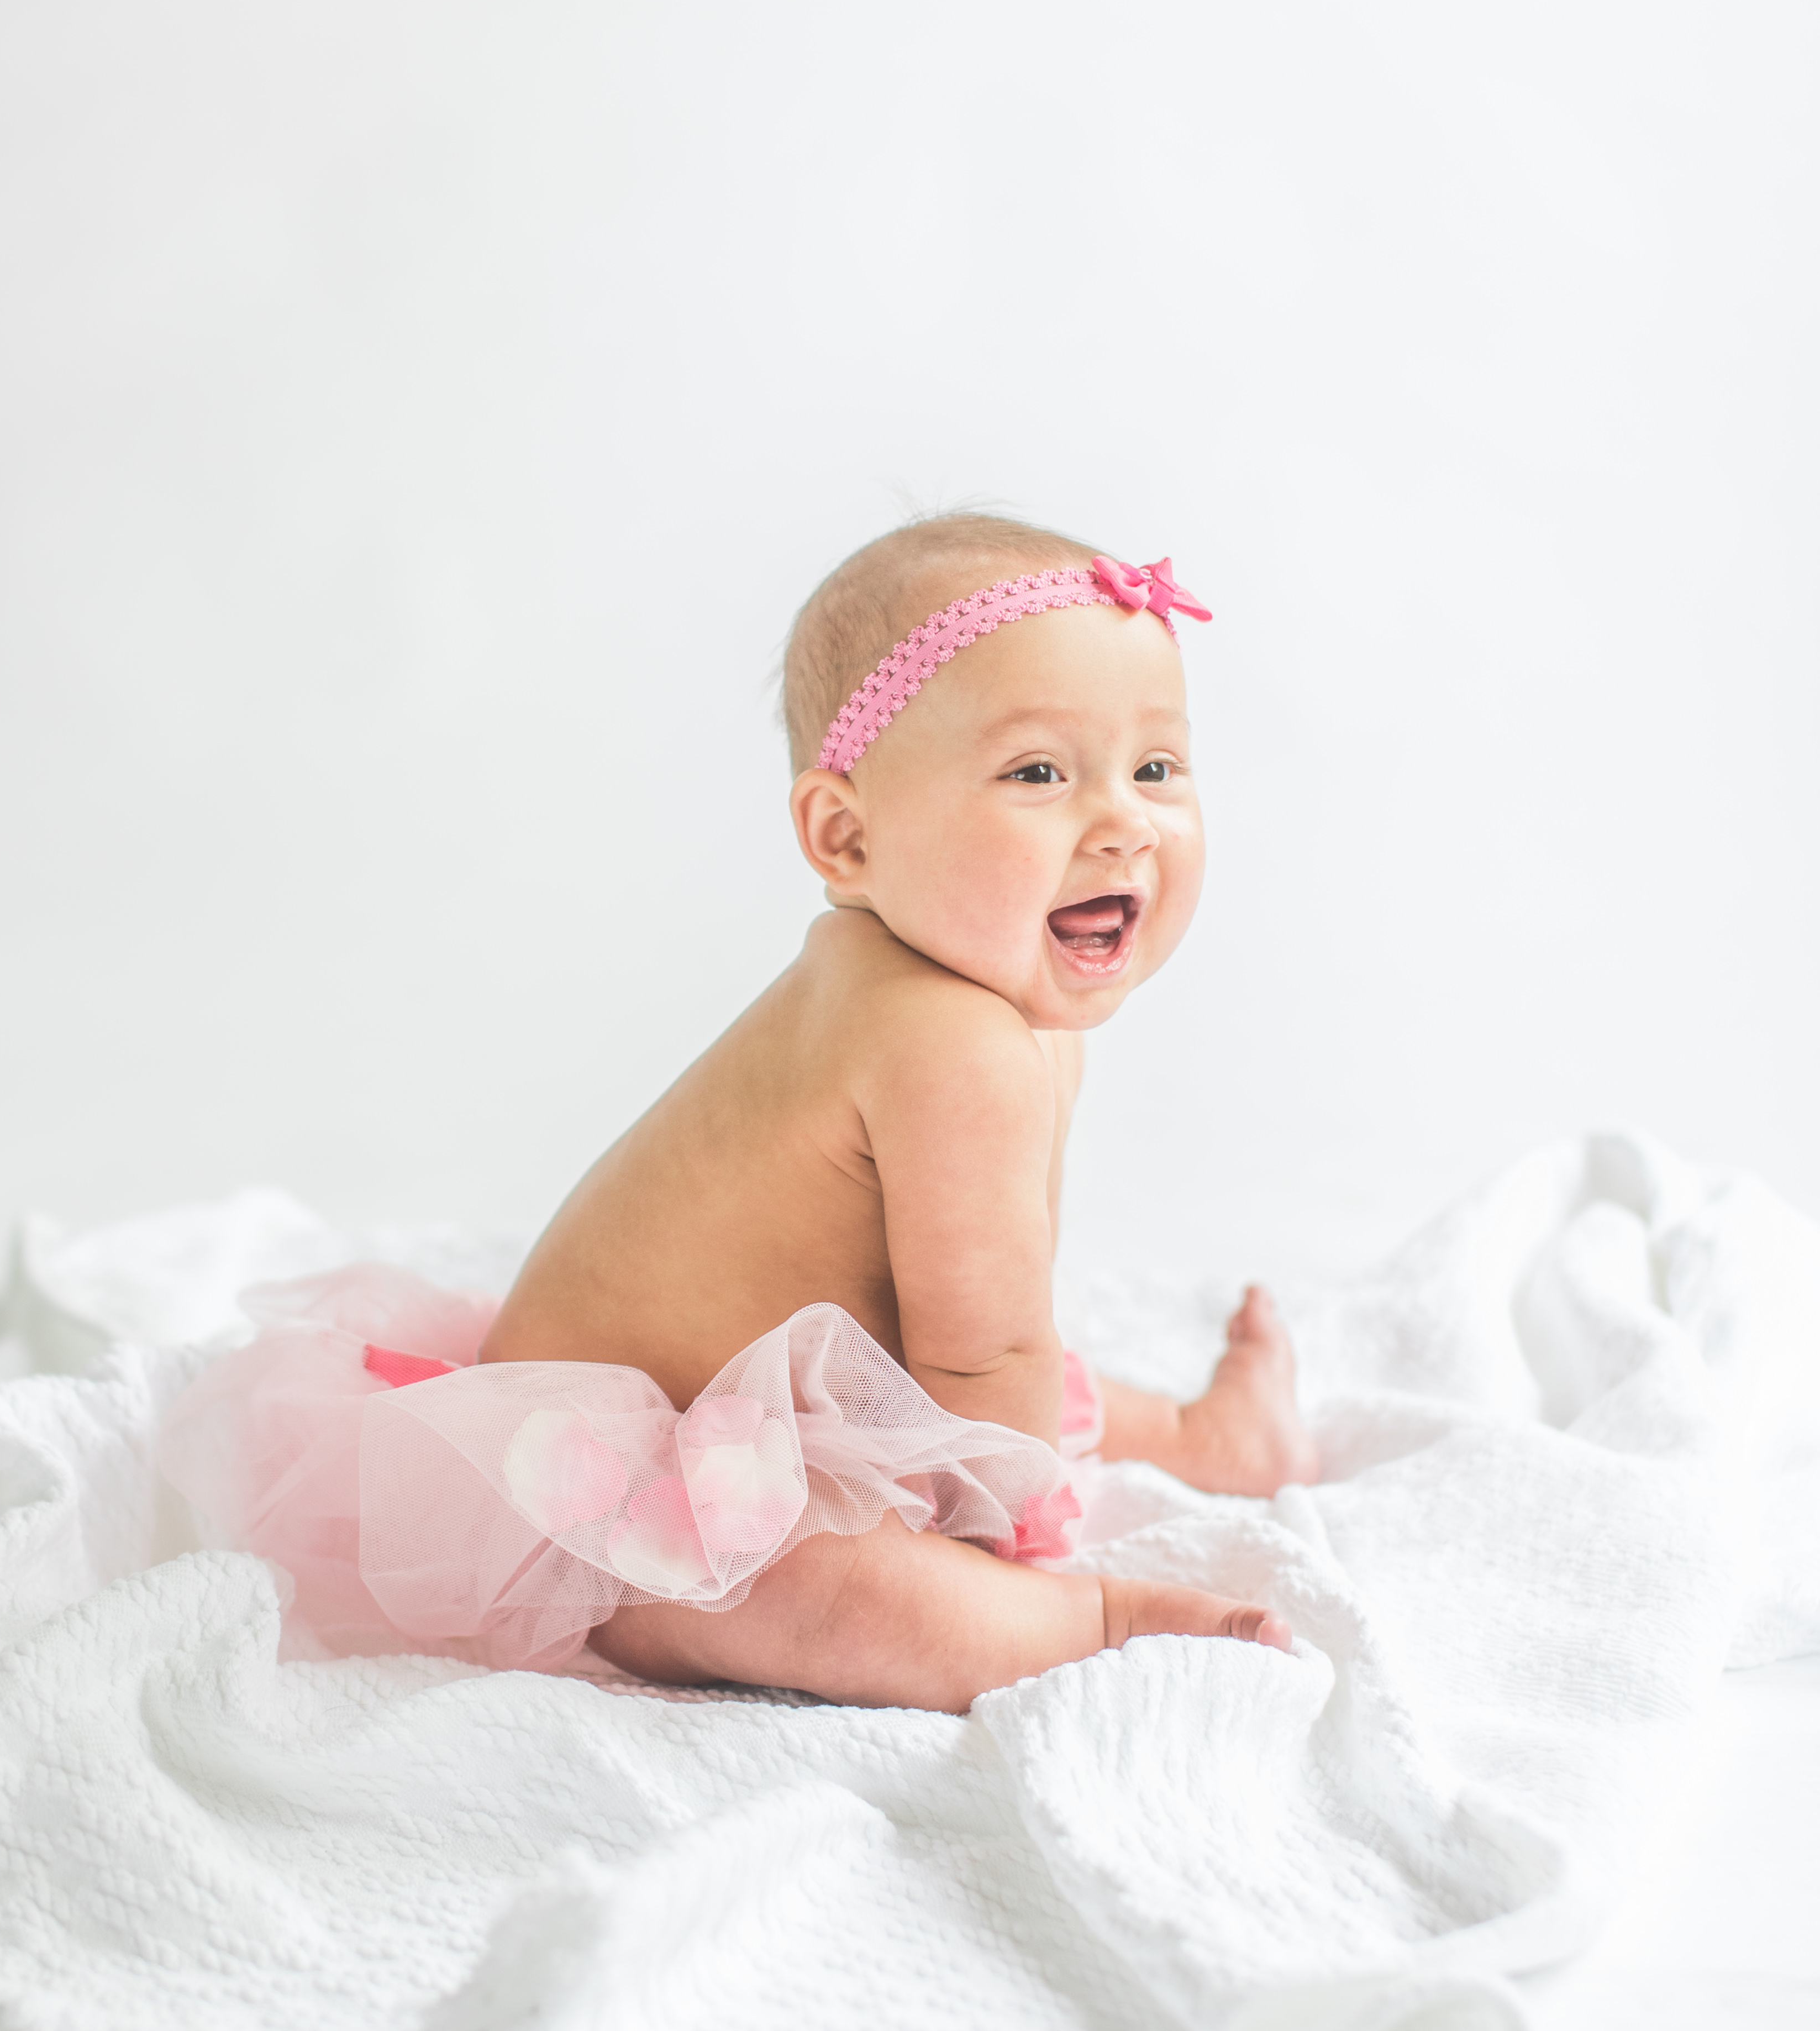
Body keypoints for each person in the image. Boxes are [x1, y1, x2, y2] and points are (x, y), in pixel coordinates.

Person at [160, 513, 1317, 1710]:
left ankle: (1198, 1435)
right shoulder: (946, 1038)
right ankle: (1092, 1621)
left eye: (1157, 767)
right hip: (605, 1494)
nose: (1124, 819)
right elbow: (982, 1362)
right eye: (1039, 772)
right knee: (828, 1593)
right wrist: (990, 1549)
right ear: (848, 835)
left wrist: (988, 1420)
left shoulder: (1000, 1007)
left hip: (804, 1414)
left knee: (1032, 1376)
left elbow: (991, 1333)